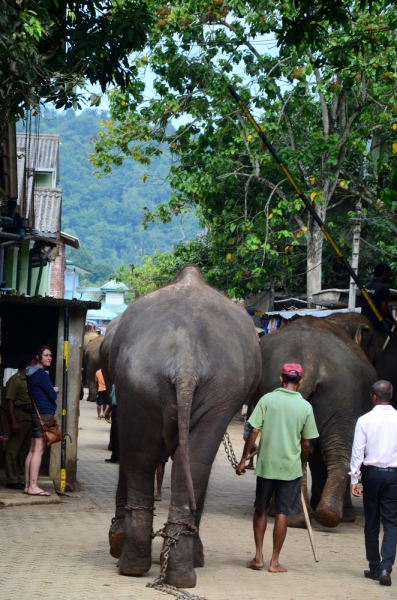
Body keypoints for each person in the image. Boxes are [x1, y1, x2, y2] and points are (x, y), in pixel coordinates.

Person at [236, 363, 319, 573]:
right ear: (300, 382)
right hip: (290, 468)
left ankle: (258, 557)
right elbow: (307, 443)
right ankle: (274, 562)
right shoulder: (306, 407)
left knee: (260, 509)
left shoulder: (267, 399)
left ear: (281, 379)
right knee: (282, 513)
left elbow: (254, 430)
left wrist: (244, 459)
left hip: (266, 465)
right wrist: (301, 463)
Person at [350, 380, 397, 587]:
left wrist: (354, 478)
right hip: (393, 476)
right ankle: (387, 566)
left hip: (371, 475)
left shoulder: (364, 420)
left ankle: (375, 567)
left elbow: (357, 451)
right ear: (391, 397)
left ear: (374, 397)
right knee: (391, 522)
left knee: (371, 522)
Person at [24, 346, 58, 496]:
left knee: (32, 450)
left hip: (35, 414)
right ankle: (33, 487)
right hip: (44, 414)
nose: (49, 358)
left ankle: (27, 485)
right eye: (46, 355)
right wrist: (54, 389)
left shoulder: (30, 374)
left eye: (50, 355)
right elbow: (52, 395)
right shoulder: (42, 374)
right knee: (39, 451)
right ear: (38, 357)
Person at [4, 357, 32, 490]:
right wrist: (14, 421)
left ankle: (20, 477)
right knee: (13, 449)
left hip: (29, 416)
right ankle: (11, 479)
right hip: (19, 415)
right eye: (31, 365)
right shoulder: (15, 381)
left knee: (24, 449)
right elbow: (10, 402)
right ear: (25, 366)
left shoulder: (29, 380)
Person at [361, 263, 397, 331]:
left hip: (363, 319)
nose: (389, 276)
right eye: (389, 274)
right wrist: (393, 320)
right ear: (384, 273)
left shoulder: (367, 286)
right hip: (376, 322)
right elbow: (384, 309)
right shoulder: (384, 288)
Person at [104, 385, 119, 463]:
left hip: (119, 409)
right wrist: (108, 411)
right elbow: (112, 399)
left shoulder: (117, 384)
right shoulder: (115, 385)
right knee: (114, 432)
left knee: (116, 432)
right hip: (115, 408)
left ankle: (117, 456)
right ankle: (115, 455)